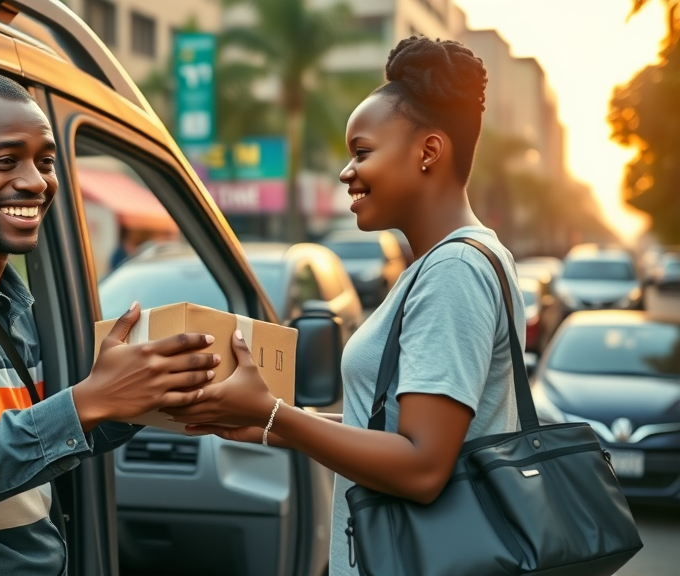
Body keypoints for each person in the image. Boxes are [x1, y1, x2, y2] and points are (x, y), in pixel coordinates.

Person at [165, 36, 524, 576]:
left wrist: (273, 413)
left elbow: (423, 465)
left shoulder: (454, 270)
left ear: (428, 151)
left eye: (362, 151)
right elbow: (394, 426)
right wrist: (277, 424)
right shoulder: (456, 260)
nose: (345, 172)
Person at [0, 75, 219, 576]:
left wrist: (135, 399)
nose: (36, 181)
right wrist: (90, 400)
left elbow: (33, 440)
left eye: (46, 161)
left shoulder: (5, 293)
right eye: (6, 160)